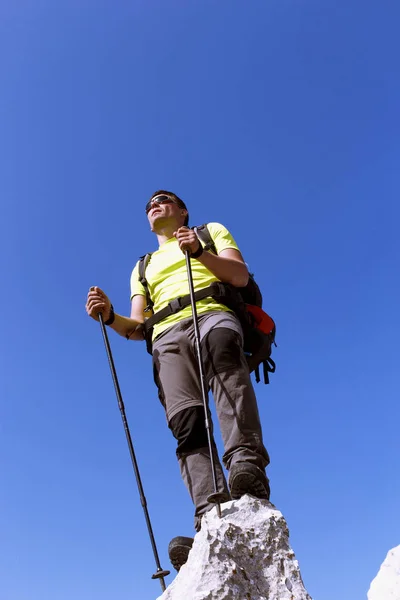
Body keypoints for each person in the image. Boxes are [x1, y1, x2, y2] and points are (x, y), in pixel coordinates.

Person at [86, 190, 270, 571]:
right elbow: (137, 328)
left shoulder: (209, 231)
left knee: (224, 359)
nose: (155, 204)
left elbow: (238, 275)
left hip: (211, 311)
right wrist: (110, 315)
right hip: (166, 337)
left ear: (183, 211)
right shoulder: (143, 267)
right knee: (186, 422)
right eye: (150, 204)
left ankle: (246, 466)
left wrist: (200, 252)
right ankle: (209, 513)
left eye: (164, 199)